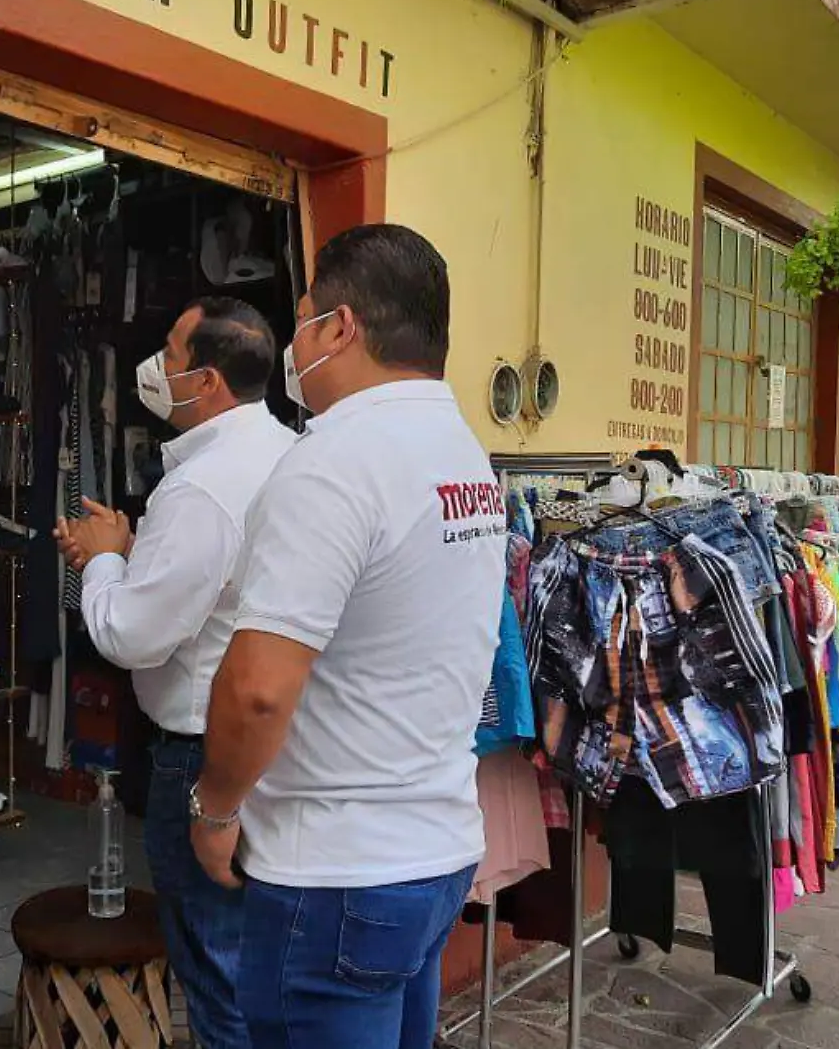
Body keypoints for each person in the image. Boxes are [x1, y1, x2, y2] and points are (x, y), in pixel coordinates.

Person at [188, 224, 506, 1049]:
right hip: (432, 854)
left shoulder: (335, 461)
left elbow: (259, 687)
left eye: (301, 320)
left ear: (339, 328)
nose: (294, 344)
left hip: (335, 876)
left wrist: (215, 809)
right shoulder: (464, 455)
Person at [53, 297, 293, 1049]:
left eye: (170, 353)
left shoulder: (203, 489)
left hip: (203, 753)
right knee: (257, 959)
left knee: (215, 969)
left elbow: (134, 634)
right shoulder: (286, 452)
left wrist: (104, 559)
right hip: (278, 741)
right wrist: (130, 549)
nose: (153, 368)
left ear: (210, 381)